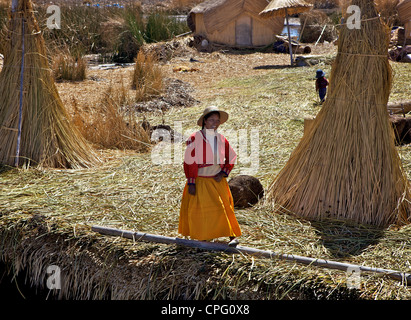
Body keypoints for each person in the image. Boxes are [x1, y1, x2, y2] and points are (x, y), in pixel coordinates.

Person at [178, 106, 241, 246]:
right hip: (200, 181)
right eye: (211, 120)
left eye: (217, 120)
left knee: (224, 208)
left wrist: (223, 172)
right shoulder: (195, 138)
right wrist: (191, 182)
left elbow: (232, 156)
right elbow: (189, 161)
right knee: (203, 211)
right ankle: (203, 238)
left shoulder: (221, 139)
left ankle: (232, 236)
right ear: (204, 121)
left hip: (217, 180)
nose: (215, 123)